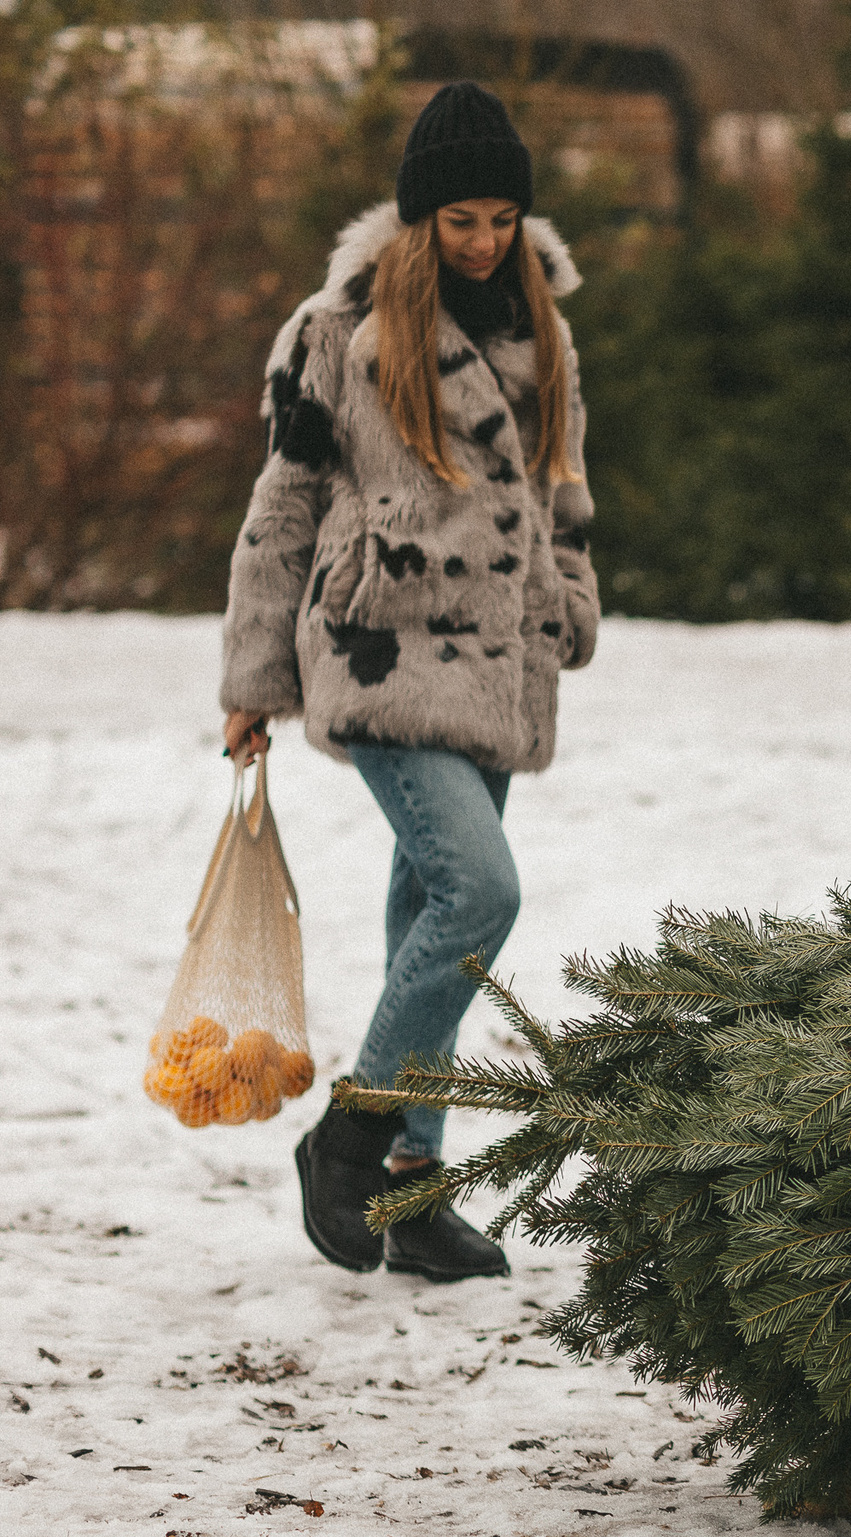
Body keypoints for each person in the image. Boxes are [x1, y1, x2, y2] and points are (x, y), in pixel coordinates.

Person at [218, 82, 601, 1283]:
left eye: (500, 217)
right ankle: (356, 1129)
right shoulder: (335, 327)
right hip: (378, 653)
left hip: (497, 661)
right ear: (417, 215)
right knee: (479, 895)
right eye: (459, 219)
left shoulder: (543, 329)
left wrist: (570, 604)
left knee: (423, 914)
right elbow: (280, 506)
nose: (483, 240)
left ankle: (408, 1189)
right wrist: (252, 673)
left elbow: (564, 488)